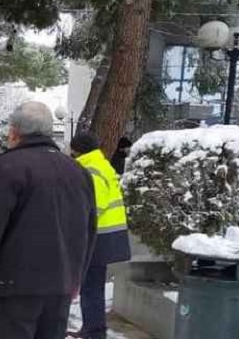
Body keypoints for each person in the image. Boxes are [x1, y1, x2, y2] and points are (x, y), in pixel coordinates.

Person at [0, 101, 97, 339]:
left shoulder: (6, 169)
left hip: (15, 287)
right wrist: (77, 277)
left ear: (14, 132)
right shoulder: (78, 172)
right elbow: (88, 230)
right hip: (60, 286)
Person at [70, 133, 131, 339]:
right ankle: (92, 328)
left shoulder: (91, 170)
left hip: (99, 238)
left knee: (91, 287)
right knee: (91, 286)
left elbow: (95, 207)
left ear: (77, 150)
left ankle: (94, 332)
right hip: (107, 236)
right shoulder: (100, 164)